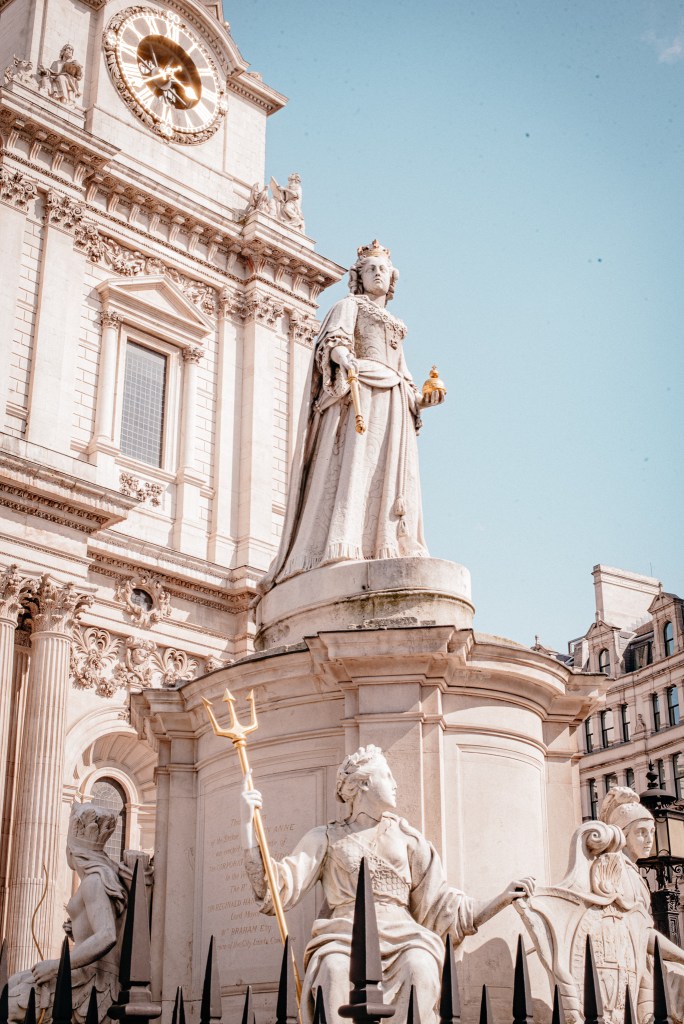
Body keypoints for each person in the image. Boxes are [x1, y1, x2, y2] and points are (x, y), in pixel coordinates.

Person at [241, 745, 534, 1024]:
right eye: (387, 775)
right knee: (333, 968)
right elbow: (278, 889)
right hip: (345, 936)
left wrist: (500, 898)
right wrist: (248, 828)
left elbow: (442, 905)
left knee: (419, 965)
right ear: (363, 784)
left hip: (405, 936)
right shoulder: (326, 838)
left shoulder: (407, 838)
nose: (395, 784)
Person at [259, 241, 443, 594]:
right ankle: (344, 543)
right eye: (370, 268)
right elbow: (332, 341)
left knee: (389, 475)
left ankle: (386, 543)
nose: (378, 273)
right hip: (361, 391)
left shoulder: (396, 324)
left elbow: (402, 372)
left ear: (392, 280)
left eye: (383, 270)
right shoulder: (348, 306)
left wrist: (422, 399)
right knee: (356, 467)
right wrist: (343, 357)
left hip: (393, 399)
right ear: (358, 276)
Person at [8, 803, 127, 1024]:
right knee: (13, 983)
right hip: (84, 975)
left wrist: (55, 966)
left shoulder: (93, 882)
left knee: (11, 1003)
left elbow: (108, 935)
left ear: (71, 850)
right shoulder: (93, 881)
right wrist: (77, 931)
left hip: (92, 981)